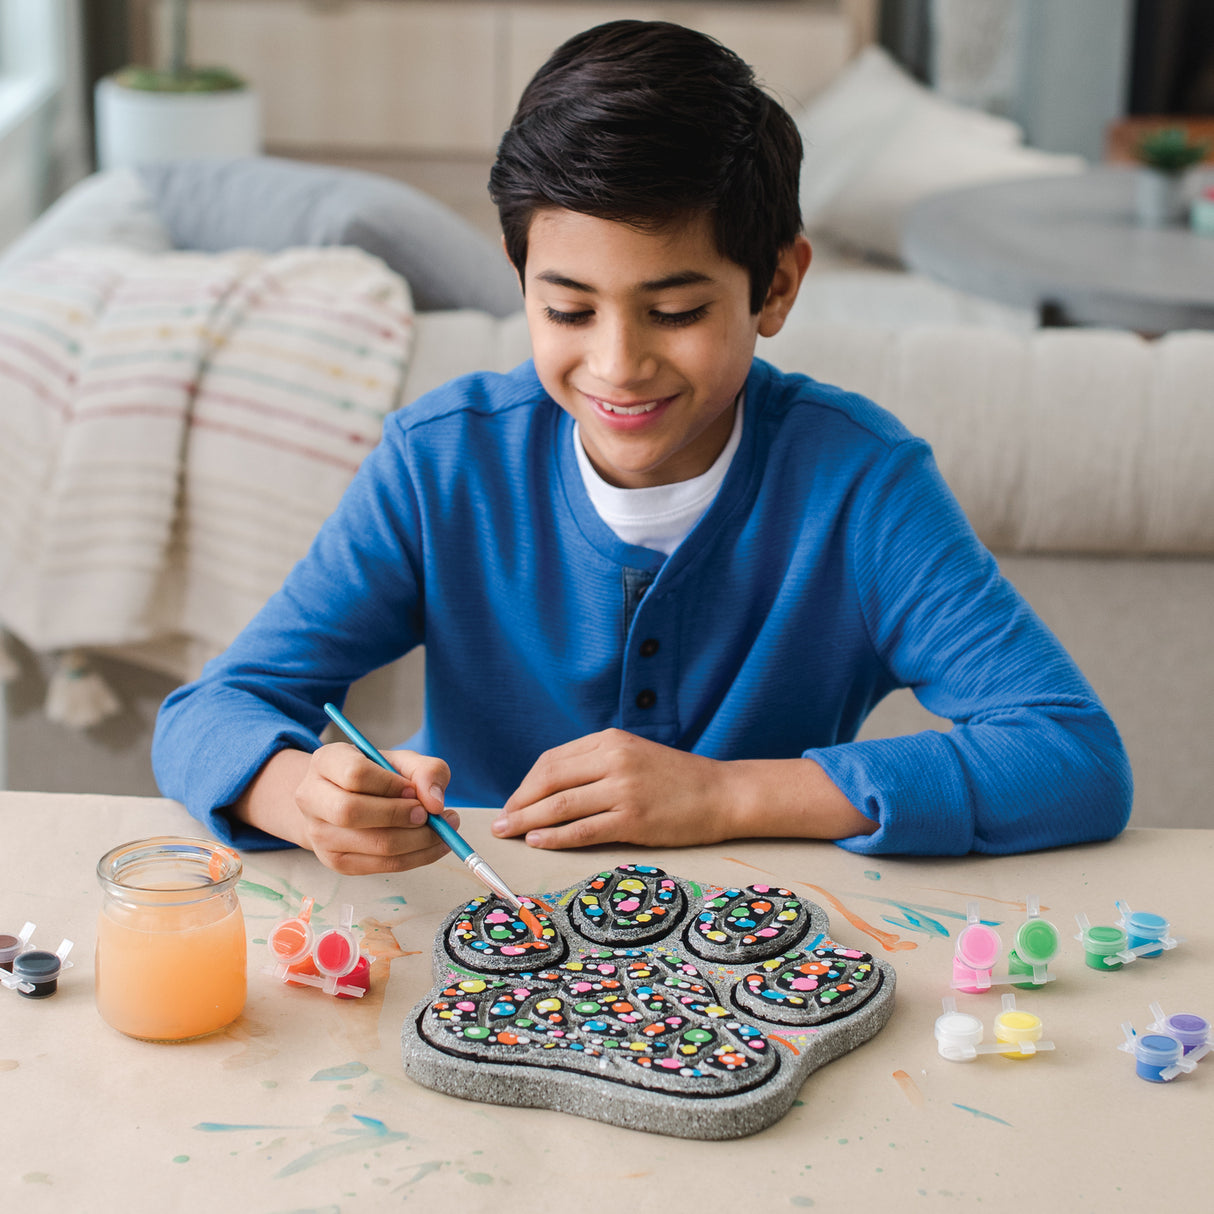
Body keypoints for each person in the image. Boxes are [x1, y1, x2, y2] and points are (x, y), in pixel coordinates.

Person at [152, 20, 1132, 874]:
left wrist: (723, 797)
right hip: (473, 932)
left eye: (673, 309)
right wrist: (300, 796)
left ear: (776, 286)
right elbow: (210, 710)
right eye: (567, 308)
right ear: (518, 277)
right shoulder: (440, 466)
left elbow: (1072, 757)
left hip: (748, 963)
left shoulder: (859, 486)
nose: (617, 365)